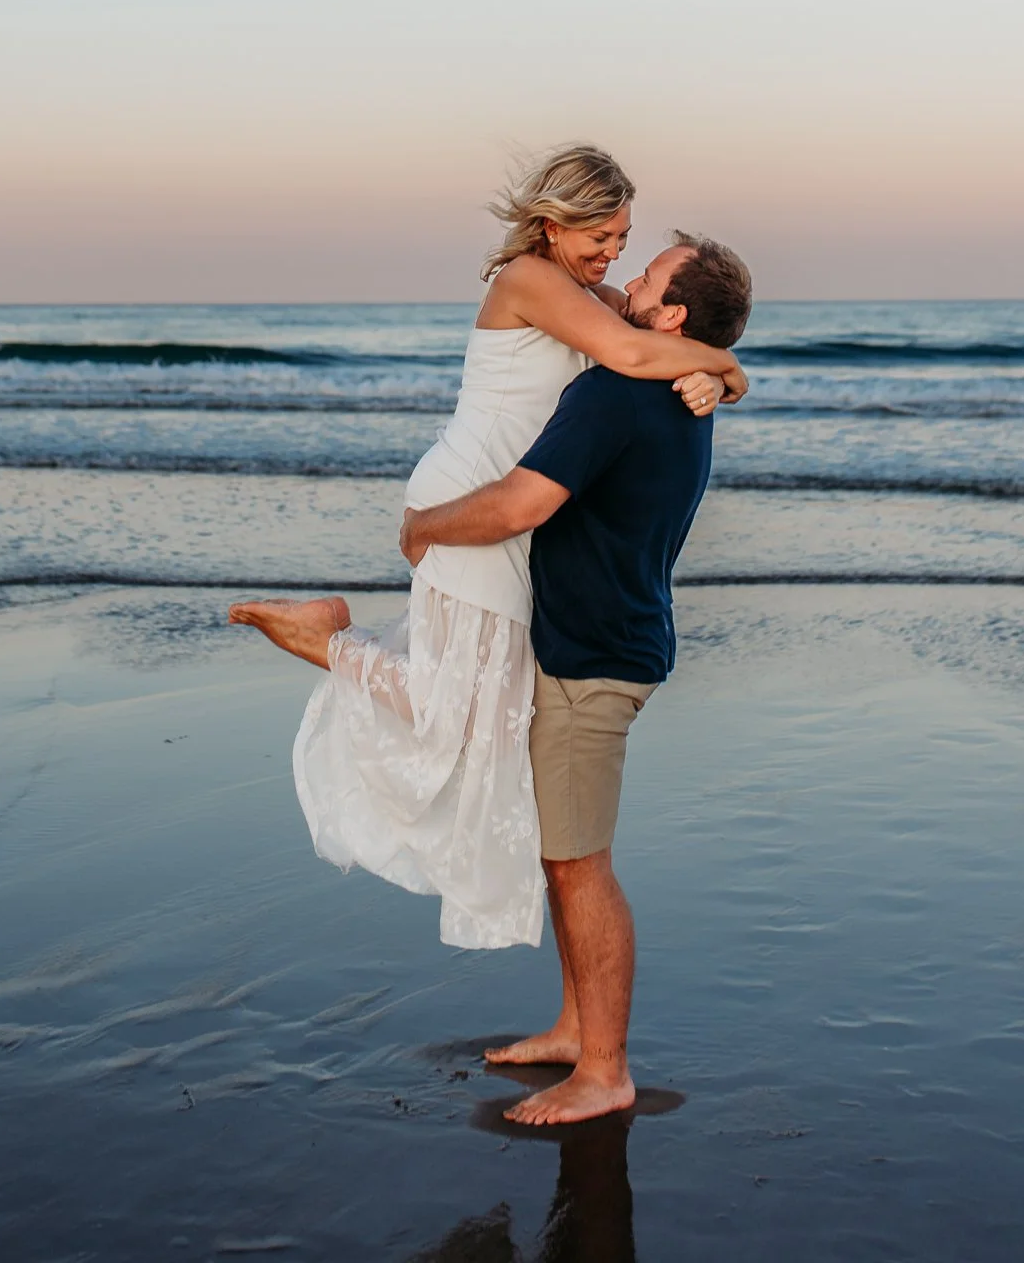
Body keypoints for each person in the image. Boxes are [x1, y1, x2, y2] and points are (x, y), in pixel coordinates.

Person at [228, 146, 747, 950]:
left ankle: (332, 637)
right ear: (553, 224)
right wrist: (722, 365)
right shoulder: (529, 279)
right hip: (472, 502)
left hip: (516, 515)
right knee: (459, 714)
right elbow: (637, 352)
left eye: (624, 240)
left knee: (485, 714)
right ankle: (327, 637)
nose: (614, 256)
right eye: (601, 236)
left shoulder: (592, 294)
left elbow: (652, 337)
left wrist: (719, 376)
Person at [399, 229, 753, 1124]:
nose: (626, 280)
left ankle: (604, 1071)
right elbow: (620, 333)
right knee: (566, 862)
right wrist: (727, 367)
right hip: (609, 642)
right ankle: (572, 1028)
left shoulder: (614, 394)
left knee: (579, 865)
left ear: (669, 315)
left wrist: (423, 524)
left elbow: (522, 503)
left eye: (646, 274)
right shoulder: (676, 389)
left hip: (593, 660)